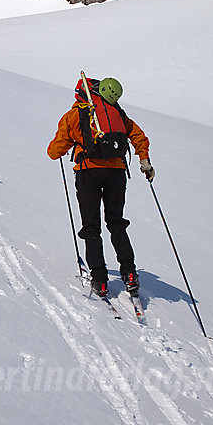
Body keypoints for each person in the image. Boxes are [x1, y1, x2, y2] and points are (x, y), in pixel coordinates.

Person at [47, 76, 155, 297]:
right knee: (116, 223)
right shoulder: (116, 113)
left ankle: (100, 280)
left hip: (88, 173)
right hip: (116, 173)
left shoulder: (75, 115)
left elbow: (54, 151)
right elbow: (138, 136)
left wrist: (65, 146)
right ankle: (130, 273)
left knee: (92, 227)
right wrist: (144, 159)